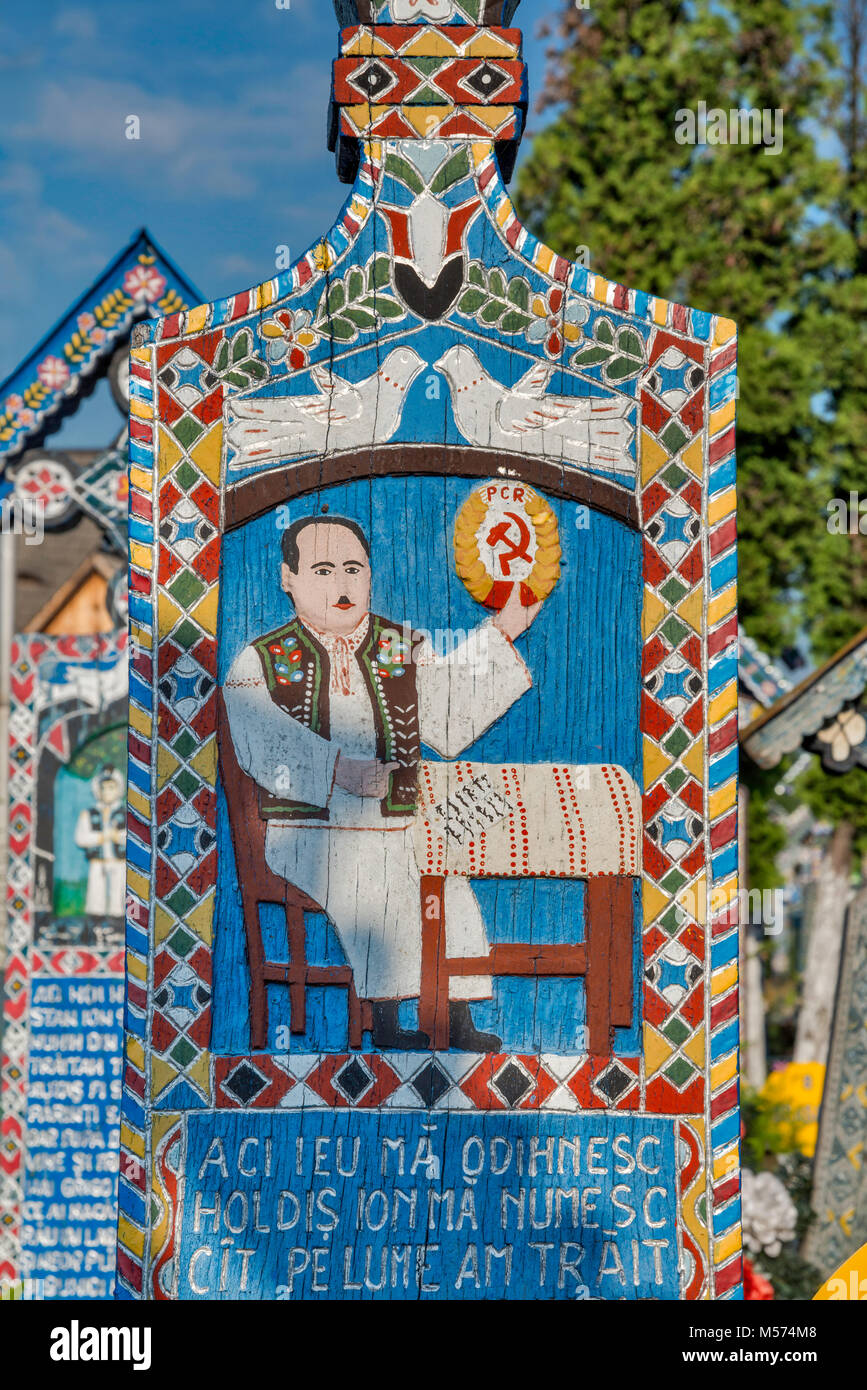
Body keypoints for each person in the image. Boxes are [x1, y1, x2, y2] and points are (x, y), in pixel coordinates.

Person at [223, 514, 545, 1049]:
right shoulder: (260, 660)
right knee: (372, 874)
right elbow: (261, 738)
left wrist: (504, 630)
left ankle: (454, 1013)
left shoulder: (400, 645)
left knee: (447, 875)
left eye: (354, 568)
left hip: (397, 823)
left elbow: (450, 712)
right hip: (308, 832)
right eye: (324, 570)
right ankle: (388, 1021)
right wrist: (336, 770)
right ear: (289, 578)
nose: (343, 585)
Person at [74, 764, 126, 919]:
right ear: (97, 790)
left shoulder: (125, 813)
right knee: (96, 894)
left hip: (118, 861)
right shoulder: (89, 814)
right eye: (103, 788)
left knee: (118, 893)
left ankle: (117, 924)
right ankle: (96, 923)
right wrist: (101, 837)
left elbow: (133, 837)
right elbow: (80, 838)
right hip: (97, 861)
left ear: (119, 789)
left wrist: (117, 836)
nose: (107, 792)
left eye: (111, 787)